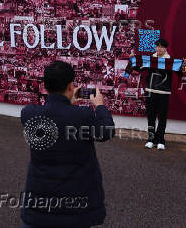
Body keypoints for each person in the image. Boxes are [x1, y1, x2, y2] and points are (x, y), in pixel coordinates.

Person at [20, 61, 115, 228]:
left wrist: (68, 103)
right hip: (75, 209)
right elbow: (106, 131)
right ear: (71, 86)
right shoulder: (82, 116)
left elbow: (56, 116)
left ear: (46, 85)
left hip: (38, 208)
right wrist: (99, 106)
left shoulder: (29, 114)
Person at [130, 39, 186, 150]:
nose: (159, 49)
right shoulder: (150, 60)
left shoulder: (170, 61)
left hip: (164, 94)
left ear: (166, 48)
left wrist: (184, 64)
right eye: (157, 46)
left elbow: (182, 73)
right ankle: (151, 139)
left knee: (162, 118)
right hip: (150, 93)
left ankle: (161, 140)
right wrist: (133, 58)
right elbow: (138, 68)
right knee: (151, 118)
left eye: (162, 47)